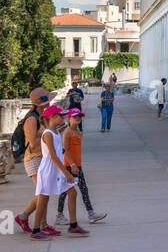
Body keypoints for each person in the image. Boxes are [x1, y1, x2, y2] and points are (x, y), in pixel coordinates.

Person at [31, 105, 86, 240]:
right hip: (49, 170)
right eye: (61, 116)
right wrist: (66, 173)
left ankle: (73, 225)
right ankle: (36, 230)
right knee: (43, 199)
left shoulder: (55, 132)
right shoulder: (48, 134)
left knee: (72, 193)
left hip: (56, 169)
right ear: (52, 118)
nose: (63, 118)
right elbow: (53, 156)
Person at [13, 88, 57, 236]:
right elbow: (32, 143)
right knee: (43, 193)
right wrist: (48, 133)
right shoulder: (32, 119)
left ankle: (33, 220)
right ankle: (30, 220)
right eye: (48, 100)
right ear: (42, 103)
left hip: (42, 158)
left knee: (44, 193)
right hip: (33, 159)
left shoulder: (42, 117)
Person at [55, 110, 106, 226]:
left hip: (77, 166)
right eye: (75, 116)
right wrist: (72, 164)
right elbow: (65, 150)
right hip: (69, 166)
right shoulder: (67, 132)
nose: (77, 118)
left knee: (83, 189)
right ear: (69, 119)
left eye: (79, 116)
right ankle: (59, 215)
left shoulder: (78, 131)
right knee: (64, 191)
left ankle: (91, 214)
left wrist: (76, 165)